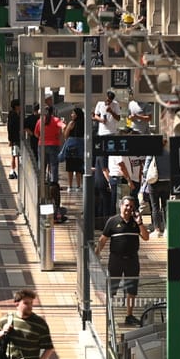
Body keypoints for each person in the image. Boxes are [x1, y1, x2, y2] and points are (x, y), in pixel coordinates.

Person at [96, 196, 150, 326]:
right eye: (126, 205)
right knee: (112, 289)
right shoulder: (113, 221)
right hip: (116, 260)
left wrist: (140, 223)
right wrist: (96, 253)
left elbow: (146, 237)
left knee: (131, 289)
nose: (128, 209)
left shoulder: (135, 222)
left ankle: (129, 315)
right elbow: (103, 239)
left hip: (132, 260)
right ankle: (109, 315)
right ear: (121, 206)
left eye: (131, 206)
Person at [34, 105, 64, 185]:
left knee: (42, 164)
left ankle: (42, 182)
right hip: (54, 145)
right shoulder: (56, 120)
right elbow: (62, 126)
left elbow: (36, 134)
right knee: (54, 164)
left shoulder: (40, 121)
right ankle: (54, 182)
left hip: (42, 145)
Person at [61, 107, 85, 192]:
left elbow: (66, 135)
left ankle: (70, 186)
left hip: (71, 148)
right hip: (80, 148)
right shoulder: (84, 124)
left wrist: (64, 127)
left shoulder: (72, 123)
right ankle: (79, 186)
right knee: (78, 168)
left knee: (70, 168)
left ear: (77, 115)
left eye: (73, 113)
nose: (71, 115)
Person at [7, 99, 21, 179]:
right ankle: (12, 171)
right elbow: (10, 128)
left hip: (15, 138)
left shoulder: (15, 114)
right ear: (16, 106)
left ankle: (13, 171)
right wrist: (10, 140)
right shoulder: (13, 115)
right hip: (15, 138)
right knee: (15, 154)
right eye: (19, 105)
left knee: (15, 154)